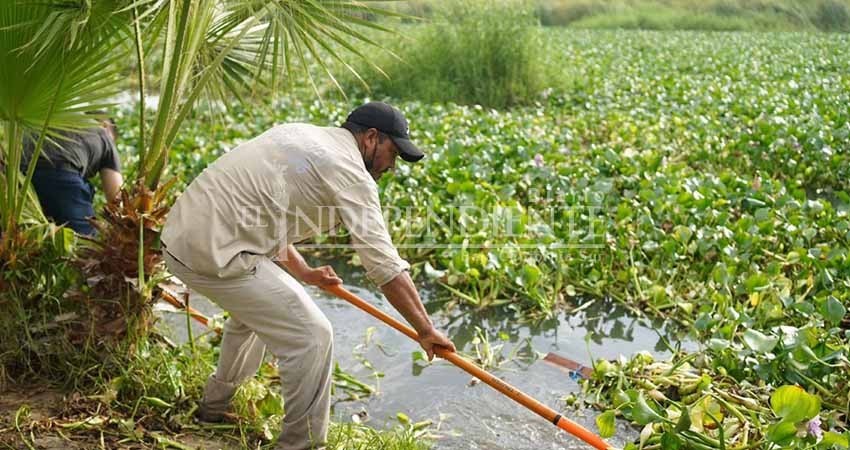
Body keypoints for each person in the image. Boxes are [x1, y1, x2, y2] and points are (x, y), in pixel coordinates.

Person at [160, 101, 456, 450]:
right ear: (371, 138)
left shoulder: (301, 134)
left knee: (255, 316)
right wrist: (424, 328)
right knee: (313, 336)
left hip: (183, 238)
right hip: (213, 253)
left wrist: (304, 272)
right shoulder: (350, 172)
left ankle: (212, 407)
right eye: (392, 153)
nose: (391, 166)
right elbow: (384, 265)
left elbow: (265, 213)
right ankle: (302, 445)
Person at [21, 117, 123, 235]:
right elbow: (116, 198)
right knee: (83, 244)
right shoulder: (104, 135)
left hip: (21, 178)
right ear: (105, 125)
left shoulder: (56, 119)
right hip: (63, 181)